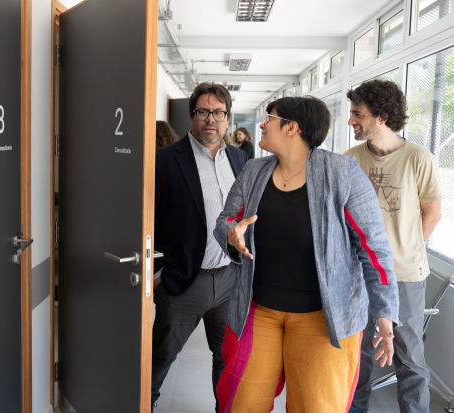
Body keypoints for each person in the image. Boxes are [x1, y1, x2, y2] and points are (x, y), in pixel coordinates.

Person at [213, 96, 400, 413]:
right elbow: (226, 221)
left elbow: (374, 248)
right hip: (258, 311)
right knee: (242, 403)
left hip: (324, 320)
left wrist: (385, 313)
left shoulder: (342, 173)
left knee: (318, 406)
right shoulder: (254, 171)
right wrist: (232, 234)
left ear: (291, 127)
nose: (262, 123)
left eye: (269, 117)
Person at [345, 80, 443, 413]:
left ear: (382, 116)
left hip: (405, 276)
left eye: (358, 114)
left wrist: (404, 251)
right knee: (357, 357)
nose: (350, 121)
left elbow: (432, 213)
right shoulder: (350, 159)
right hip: (359, 275)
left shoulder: (419, 157)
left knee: (410, 358)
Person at [152, 83, 248, 413]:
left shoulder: (239, 158)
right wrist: (156, 272)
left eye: (218, 112)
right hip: (183, 282)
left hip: (228, 279)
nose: (211, 119)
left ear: (227, 118)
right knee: (161, 356)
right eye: (204, 112)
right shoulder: (164, 160)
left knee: (227, 360)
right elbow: (148, 221)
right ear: (192, 116)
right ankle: (143, 404)